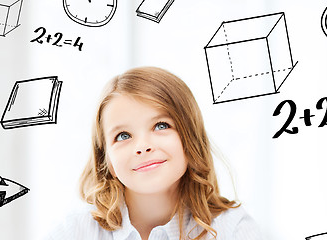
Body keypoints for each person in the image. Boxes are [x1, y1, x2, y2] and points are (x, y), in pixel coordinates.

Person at [48, 67, 262, 240]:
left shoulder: (232, 229)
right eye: (123, 136)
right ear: (107, 161)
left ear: (190, 138)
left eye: (160, 126)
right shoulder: (75, 231)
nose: (142, 146)